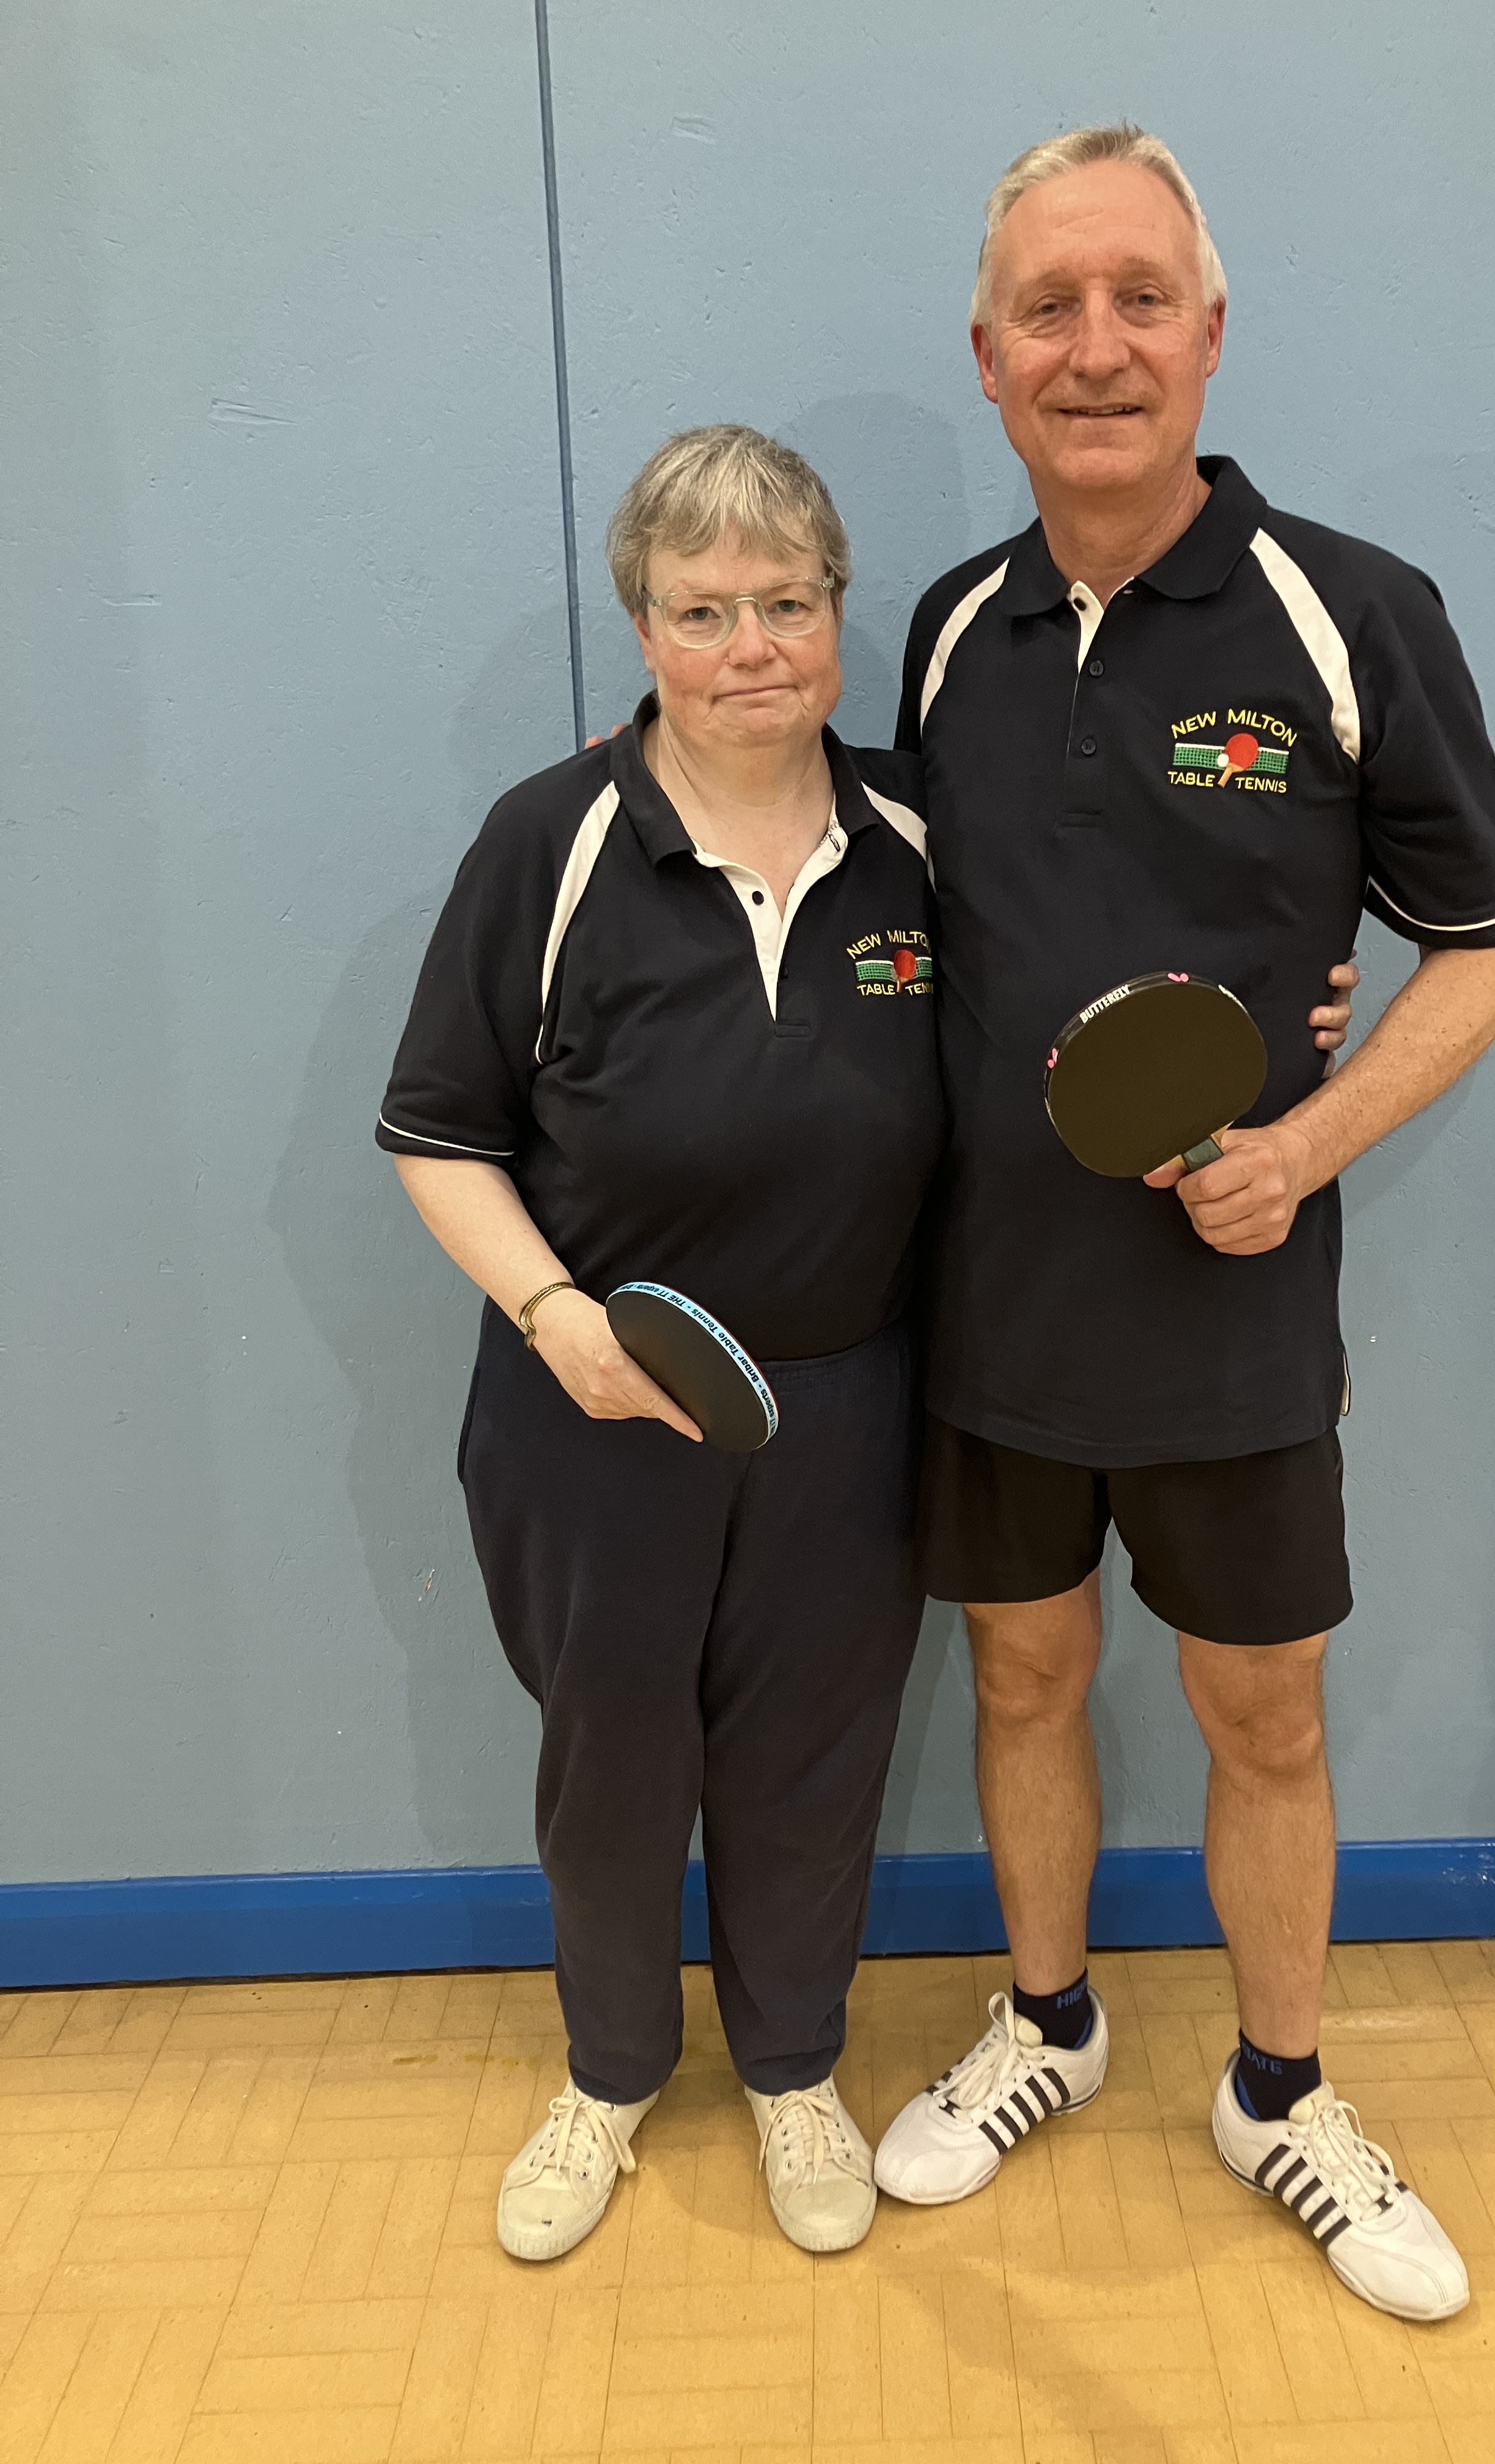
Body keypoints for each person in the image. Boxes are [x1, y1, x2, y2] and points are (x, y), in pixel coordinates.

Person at [869, 128, 1495, 2329]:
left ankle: (1279, 2092)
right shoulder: (950, 630)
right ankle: (1048, 2025)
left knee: (1264, 1719)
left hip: (1233, 1313)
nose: (1098, 347)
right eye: (1049, 308)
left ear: (1211, 334)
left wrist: (1310, 1139)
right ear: (988, 358)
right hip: (996, 1303)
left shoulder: (1355, 613)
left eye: (1140, 299)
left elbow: (1489, 943)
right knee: (1024, 1674)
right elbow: (922, 919)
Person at [377, 427, 946, 2260]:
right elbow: (438, 1132)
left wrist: (1293, 995)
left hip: (851, 1406)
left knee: (814, 1760)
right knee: (611, 1763)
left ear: (838, 611)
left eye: (787, 601)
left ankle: (793, 2073)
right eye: (702, 612)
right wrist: (556, 1320)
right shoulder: (548, 844)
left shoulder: (924, 841)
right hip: (596, 1406)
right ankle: (612, 2074)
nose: (750, 646)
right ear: (643, 628)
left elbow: (1068, 1010)